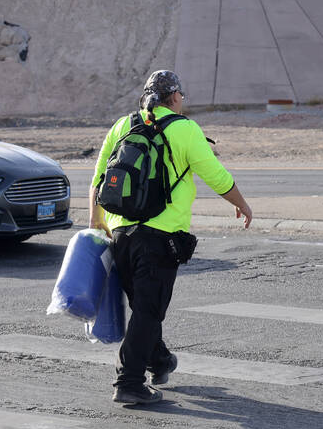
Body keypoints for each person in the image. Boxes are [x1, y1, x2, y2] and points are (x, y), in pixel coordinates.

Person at [90, 70, 253, 406]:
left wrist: (97, 221)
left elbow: (99, 178)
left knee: (143, 307)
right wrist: (242, 204)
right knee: (149, 311)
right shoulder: (184, 129)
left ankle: (159, 360)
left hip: (120, 230)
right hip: (160, 237)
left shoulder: (123, 125)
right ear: (175, 97)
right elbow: (217, 176)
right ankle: (129, 383)